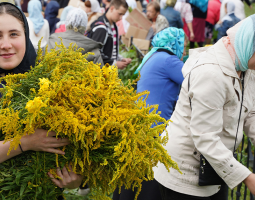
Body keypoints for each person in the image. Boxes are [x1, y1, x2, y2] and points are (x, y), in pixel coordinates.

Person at [0, 2, 83, 195]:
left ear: (25, 36)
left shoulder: (52, 84)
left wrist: (75, 179)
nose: (6, 44)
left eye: (14, 34)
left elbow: (75, 150)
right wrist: (25, 142)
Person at [154, 14, 255, 200]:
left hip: (214, 166)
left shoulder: (244, 64)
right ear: (249, 44)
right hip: (185, 174)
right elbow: (205, 137)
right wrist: (248, 178)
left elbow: (250, 114)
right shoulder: (211, 73)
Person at [113, 27, 185, 200]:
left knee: (133, 175)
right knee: (149, 179)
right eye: (183, 45)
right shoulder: (169, 60)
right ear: (176, 44)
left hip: (142, 123)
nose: (183, 50)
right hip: (156, 127)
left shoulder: (153, 56)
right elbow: (194, 79)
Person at [87, 0, 131, 69]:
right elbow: (95, 53)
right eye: (120, 14)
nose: (121, 18)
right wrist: (114, 63)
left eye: (123, 15)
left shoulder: (114, 26)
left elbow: (110, 50)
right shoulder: (101, 28)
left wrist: (120, 59)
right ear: (112, 8)